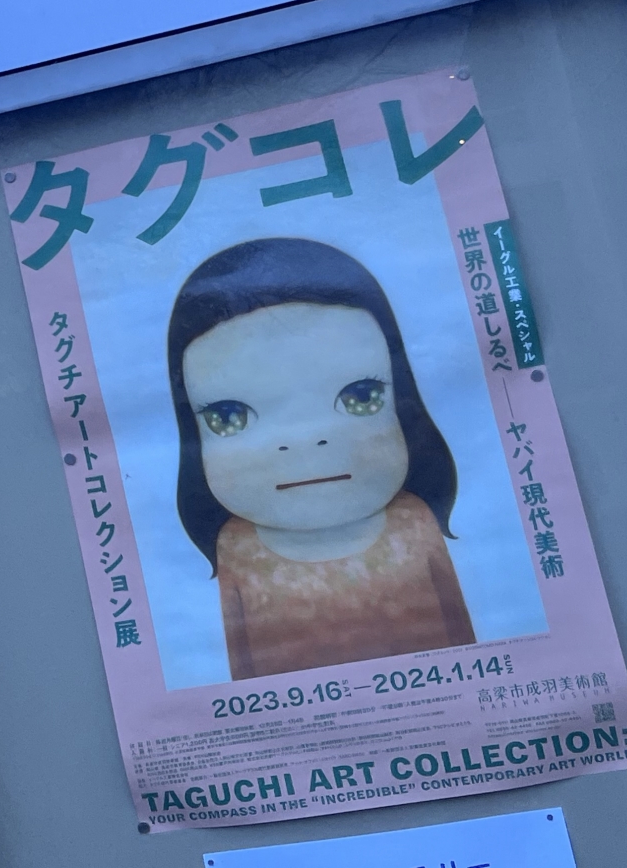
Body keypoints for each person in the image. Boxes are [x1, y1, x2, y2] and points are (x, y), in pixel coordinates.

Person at [166, 237, 474, 679]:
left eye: (361, 397)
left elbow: (465, 644)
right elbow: (245, 673)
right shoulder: (236, 547)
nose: (305, 442)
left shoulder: (413, 523)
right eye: (229, 417)